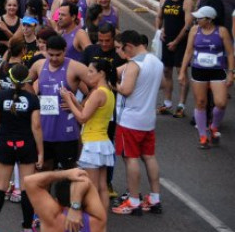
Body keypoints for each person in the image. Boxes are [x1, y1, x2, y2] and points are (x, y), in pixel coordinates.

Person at [111, 30, 164, 215]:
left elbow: (125, 90)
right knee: (149, 157)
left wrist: (112, 85)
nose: (120, 53)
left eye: (120, 49)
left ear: (129, 46)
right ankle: (155, 198)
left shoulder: (134, 65)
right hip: (148, 119)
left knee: (130, 158)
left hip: (130, 120)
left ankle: (133, 201)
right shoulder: (156, 61)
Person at [0, 63, 42, 232]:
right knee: (26, 189)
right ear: (26, 80)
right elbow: (36, 127)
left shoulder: (0, 97)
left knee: (0, 187)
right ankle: (27, 227)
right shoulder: (32, 99)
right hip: (26, 146)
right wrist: (41, 152)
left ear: (9, 78)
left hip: (5, 145)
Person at [28, 34, 89, 171]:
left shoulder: (75, 67)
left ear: (65, 51)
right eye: (51, 55)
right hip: (44, 131)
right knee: (44, 169)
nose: (54, 59)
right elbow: (24, 82)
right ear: (46, 51)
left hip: (66, 133)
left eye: (58, 55)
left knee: (69, 171)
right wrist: (33, 101)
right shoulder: (39, 65)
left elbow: (98, 86)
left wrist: (79, 105)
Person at [61, 59, 116, 204]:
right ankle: (101, 222)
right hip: (103, 143)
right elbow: (88, 113)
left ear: (101, 73)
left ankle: (94, 221)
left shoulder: (97, 93)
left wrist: (68, 100)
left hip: (93, 144)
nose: (88, 75)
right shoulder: (109, 91)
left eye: (91, 71)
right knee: (103, 187)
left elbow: (82, 118)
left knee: (92, 187)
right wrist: (74, 101)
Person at [180, 6, 234, 148]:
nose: (197, 20)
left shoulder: (221, 31)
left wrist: (231, 72)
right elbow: (188, 52)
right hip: (199, 71)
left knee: (221, 103)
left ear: (210, 19)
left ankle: (214, 127)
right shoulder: (194, 30)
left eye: (200, 18)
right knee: (201, 102)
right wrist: (182, 71)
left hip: (217, 71)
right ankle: (203, 137)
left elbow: (230, 53)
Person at [23, 168, 107, 232]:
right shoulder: (98, 220)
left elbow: (29, 181)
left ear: (57, 201)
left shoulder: (52, 219)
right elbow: (84, 180)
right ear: (86, 199)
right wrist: (75, 206)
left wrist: (66, 174)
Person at [156, 0, 192, 117]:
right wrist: (159, 30)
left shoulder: (187, 1)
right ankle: (167, 102)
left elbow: (188, 25)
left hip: (181, 43)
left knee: (181, 73)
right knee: (166, 71)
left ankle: (181, 105)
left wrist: (176, 42)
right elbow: (159, 16)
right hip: (166, 41)